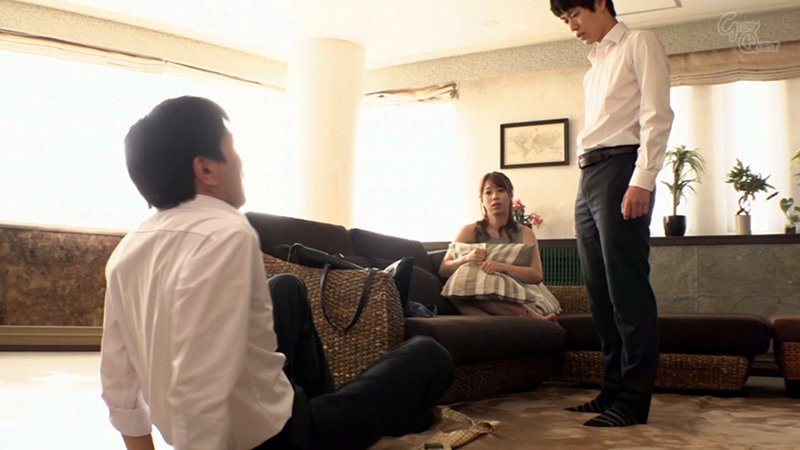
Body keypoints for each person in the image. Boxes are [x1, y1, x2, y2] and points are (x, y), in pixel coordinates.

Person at [100, 96, 453, 450]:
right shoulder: (226, 232)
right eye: (232, 148)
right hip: (273, 439)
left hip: (255, 415)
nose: (240, 162)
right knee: (429, 355)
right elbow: (202, 383)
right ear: (206, 170)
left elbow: (119, 383)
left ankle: (326, 413)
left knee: (286, 288)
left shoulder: (125, 252)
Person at [550, 0, 674, 427]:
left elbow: (657, 114)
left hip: (623, 168)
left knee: (626, 289)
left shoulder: (640, 42)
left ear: (601, 3)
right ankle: (611, 392)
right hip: (589, 177)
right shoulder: (594, 67)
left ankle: (633, 402)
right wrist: (582, 200)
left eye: (575, 14)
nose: (572, 26)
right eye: (565, 20)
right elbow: (594, 134)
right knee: (598, 293)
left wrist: (644, 180)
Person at [438, 171, 556, 321]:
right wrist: (466, 258)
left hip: (518, 294)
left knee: (467, 299)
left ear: (510, 196)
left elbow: (536, 275)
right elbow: (444, 269)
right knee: (459, 296)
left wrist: (502, 267)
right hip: (477, 292)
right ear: (482, 199)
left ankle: (523, 317)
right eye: (488, 192)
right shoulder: (468, 231)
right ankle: (528, 319)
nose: (495, 196)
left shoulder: (525, 233)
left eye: (501, 190)